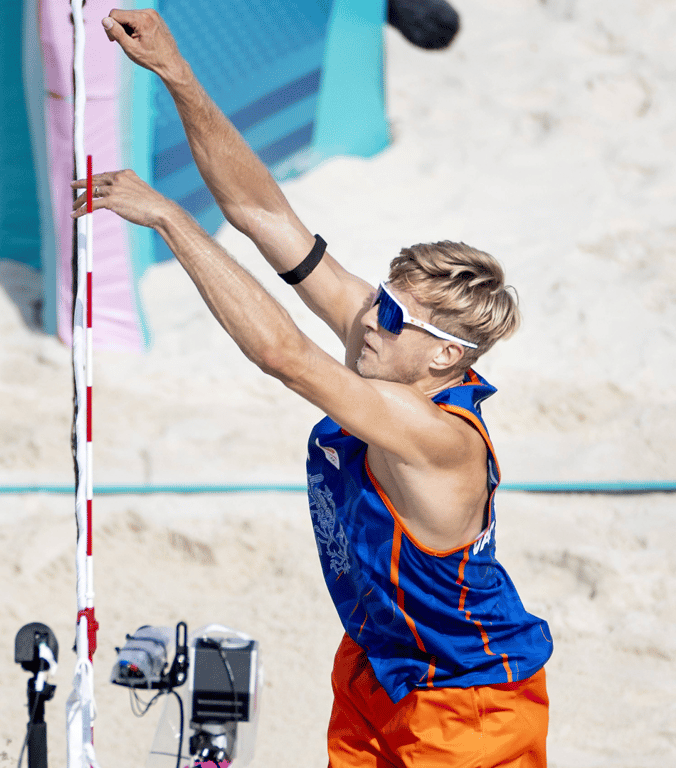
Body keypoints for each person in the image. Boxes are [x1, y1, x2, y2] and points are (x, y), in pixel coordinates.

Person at [78, 10, 551, 767]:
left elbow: (284, 355)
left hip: (471, 700)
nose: (369, 318)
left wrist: (168, 218)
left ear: (444, 358)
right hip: (377, 664)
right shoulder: (386, 348)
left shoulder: (437, 437)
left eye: (393, 315)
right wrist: (176, 72)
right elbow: (263, 214)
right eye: (381, 297)